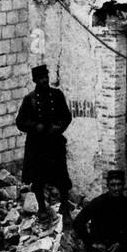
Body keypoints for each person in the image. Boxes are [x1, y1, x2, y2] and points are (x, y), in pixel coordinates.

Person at [16, 64, 73, 219]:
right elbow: (20, 122)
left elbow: (67, 116)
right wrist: (35, 126)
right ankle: (41, 207)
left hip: (54, 143)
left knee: (62, 176)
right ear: (35, 80)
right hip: (37, 146)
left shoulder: (57, 95)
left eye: (46, 77)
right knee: (38, 178)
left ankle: (65, 207)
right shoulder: (30, 100)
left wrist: (58, 127)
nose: (44, 81)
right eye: (40, 78)